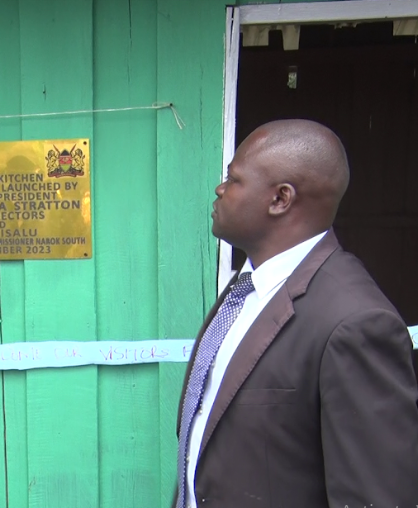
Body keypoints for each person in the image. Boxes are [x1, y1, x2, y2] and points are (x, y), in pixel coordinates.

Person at [174, 119, 418, 508]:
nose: (220, 189)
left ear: (280, 199)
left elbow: (375, 495)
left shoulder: (354, 322)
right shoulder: (247, 287)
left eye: (234, 179)